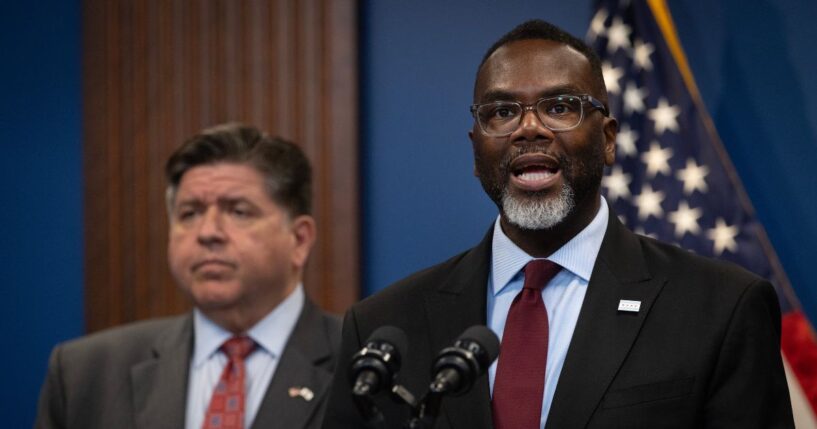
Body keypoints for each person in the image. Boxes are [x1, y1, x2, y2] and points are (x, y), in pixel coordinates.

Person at [322, 20, 793, 428]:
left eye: (560, 106)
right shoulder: (382, 324)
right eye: (502, 112)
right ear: (475, 148)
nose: (529, 128)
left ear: (608, 140)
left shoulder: (720, 308)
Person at [36, 123, 341, 429]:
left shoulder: (362, 366)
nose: (207, 232)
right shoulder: (85, 375)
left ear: (299, 240)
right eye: (190, 213)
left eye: (238, 211)